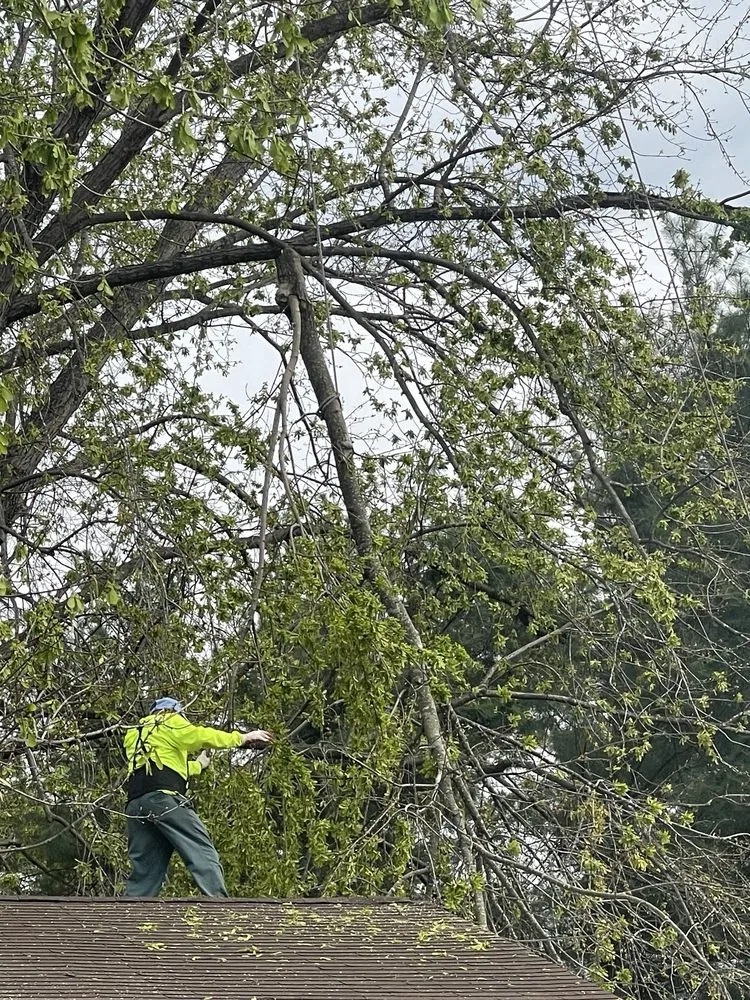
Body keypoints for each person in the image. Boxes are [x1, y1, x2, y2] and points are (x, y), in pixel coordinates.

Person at [122, 696, 272, 897]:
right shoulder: (169, 720)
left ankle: (132, 909)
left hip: (136, 806)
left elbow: (163, 766)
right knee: (201, 850)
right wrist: (242, 738)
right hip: (164, 801)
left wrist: (199, 765)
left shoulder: (136, 732)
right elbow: (200, 735)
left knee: (146, 868)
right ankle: (218, 904)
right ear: (176, 712)